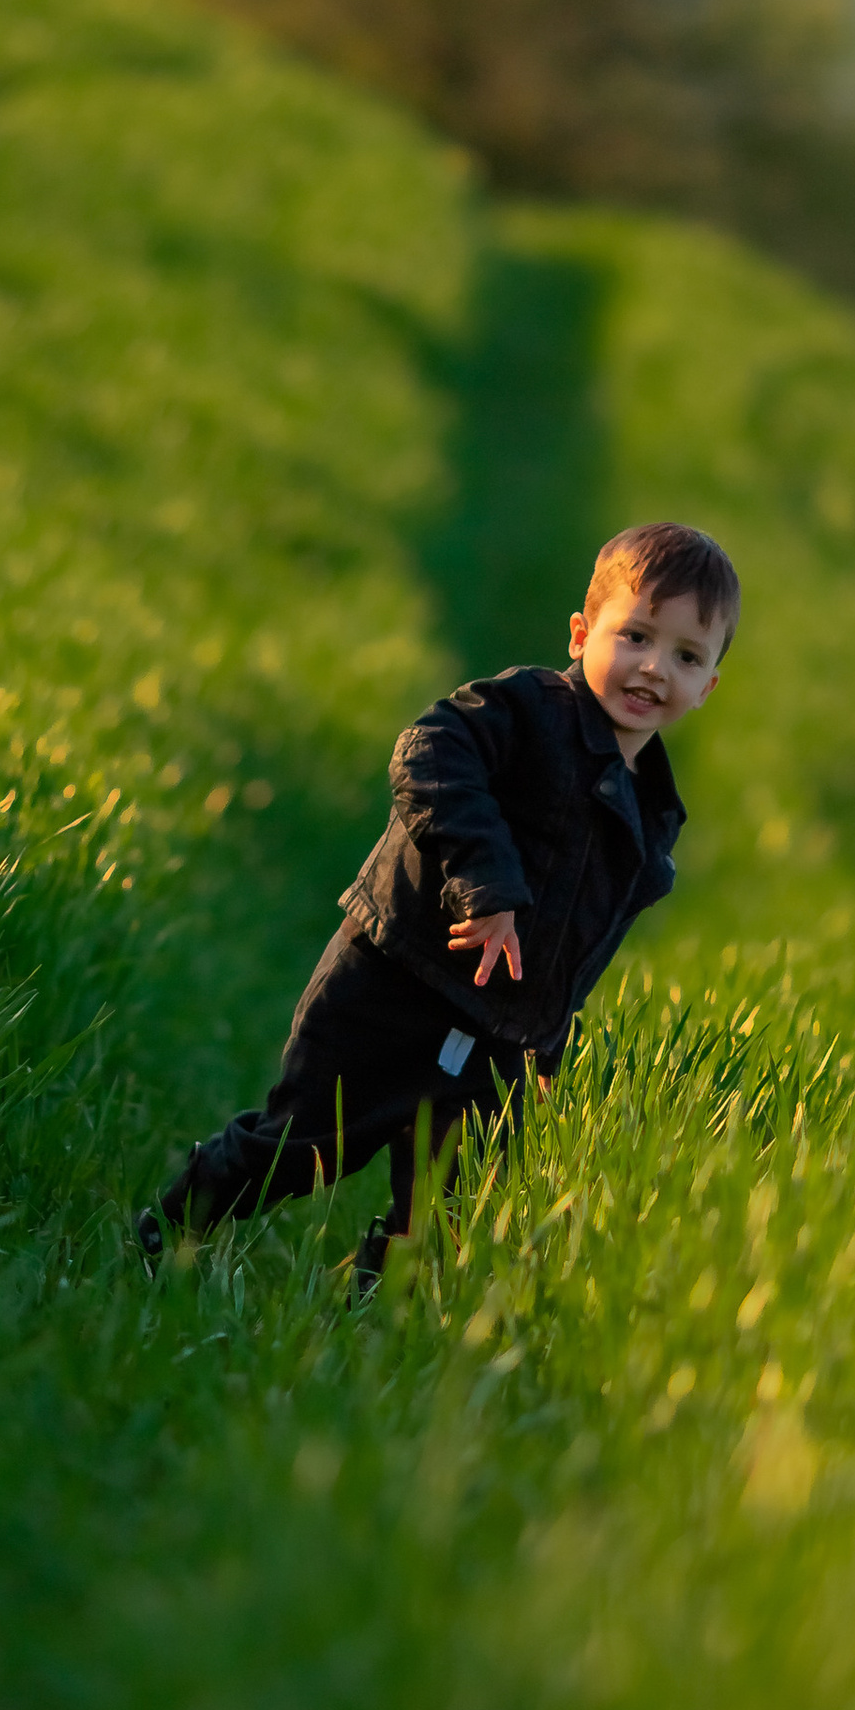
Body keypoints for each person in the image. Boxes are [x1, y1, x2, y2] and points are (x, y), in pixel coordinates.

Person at [137, 519, 739, 1294]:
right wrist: (486, 887)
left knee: (456, 1209)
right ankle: (167, 1236)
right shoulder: (527, 711)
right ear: (582, 633)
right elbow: (427, 753)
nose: (654, 668)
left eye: (686, 656)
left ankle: (374, 1309)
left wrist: (548, 1043)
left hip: (497, 1036)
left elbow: (583, 937)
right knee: (306, 1144)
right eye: (636, 636)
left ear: (709, 686)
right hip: (395, 983)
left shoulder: (653, 811)